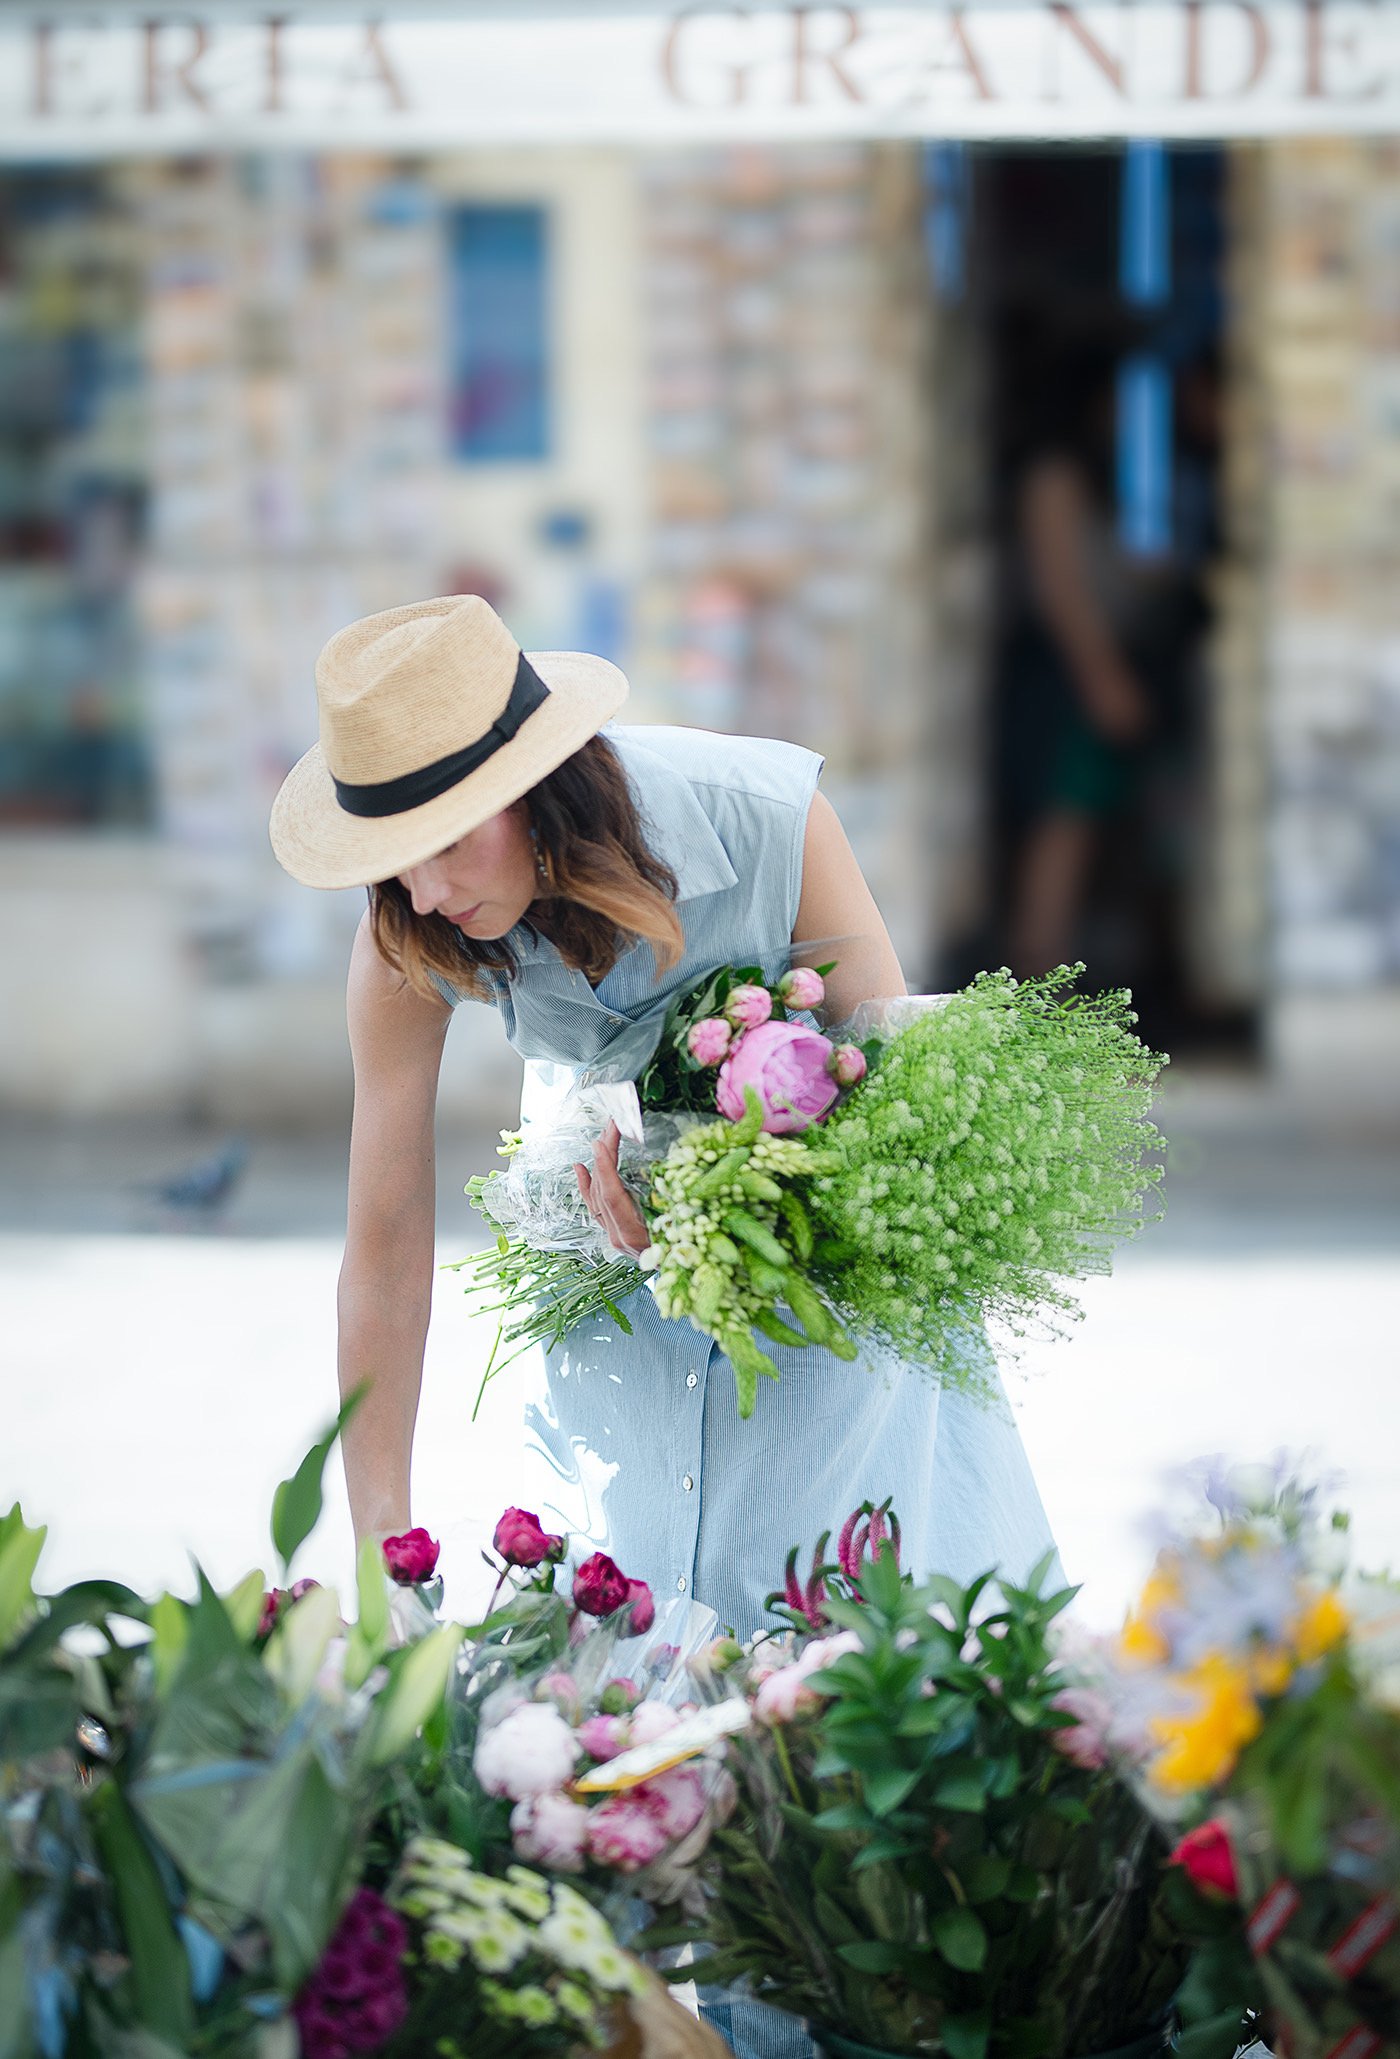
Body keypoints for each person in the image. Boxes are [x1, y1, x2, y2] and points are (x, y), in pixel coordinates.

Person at [271, 593, 1062, 2059]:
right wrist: (380, 1537)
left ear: (535, 786)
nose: (431, 890)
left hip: (832, 1283)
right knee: (659, 1690)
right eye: (396, 853)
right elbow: (382, 1233)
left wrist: (728, 1175)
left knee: (852, 1660)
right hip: (605, 1278)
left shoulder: (761, 812)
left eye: (453, 836)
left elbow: (906, 1103)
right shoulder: (410, 934)